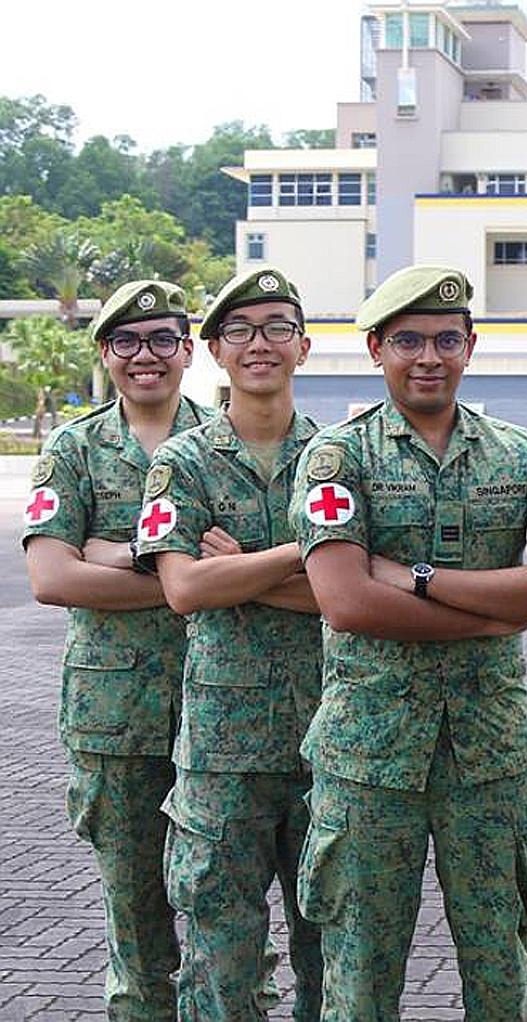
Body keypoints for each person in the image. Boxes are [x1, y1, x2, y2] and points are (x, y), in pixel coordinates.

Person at [290, 265, 527, 1019]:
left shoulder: (523, 455)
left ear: (471, 347)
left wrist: (409, 574)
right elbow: (345, 602)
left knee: (502, 971)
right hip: (369, 757)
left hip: (491, 754)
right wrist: (492, 613)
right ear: (376, 348)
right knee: (361, 975)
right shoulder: (336, 460)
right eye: (407, 340)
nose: (428, 357)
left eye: (447, 338)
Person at [135, 268, 324, 1019]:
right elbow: (182, 589)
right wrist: (300, 553)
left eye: (278, 327)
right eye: (240, 331)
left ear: (304, 347)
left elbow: (350, 595)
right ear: (213, 349)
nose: (260, 344)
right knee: (220, 962)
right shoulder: (180, 463)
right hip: (221, 755)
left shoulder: (340, 456)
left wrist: (238, 564)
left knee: (335, 955)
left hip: (328, 742)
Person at [21, 280, 209, 1019]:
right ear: (105, 353)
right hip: (115, 721)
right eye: (127, 341)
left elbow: (264, 566)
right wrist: (185, 573)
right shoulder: (72, 447)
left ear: (189, 352)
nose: (146, 356)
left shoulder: (224, 442)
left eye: (164, 339)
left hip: (227, 708)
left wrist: (112, 554)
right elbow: (51, 575)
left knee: (231, 924)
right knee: (136, 924)